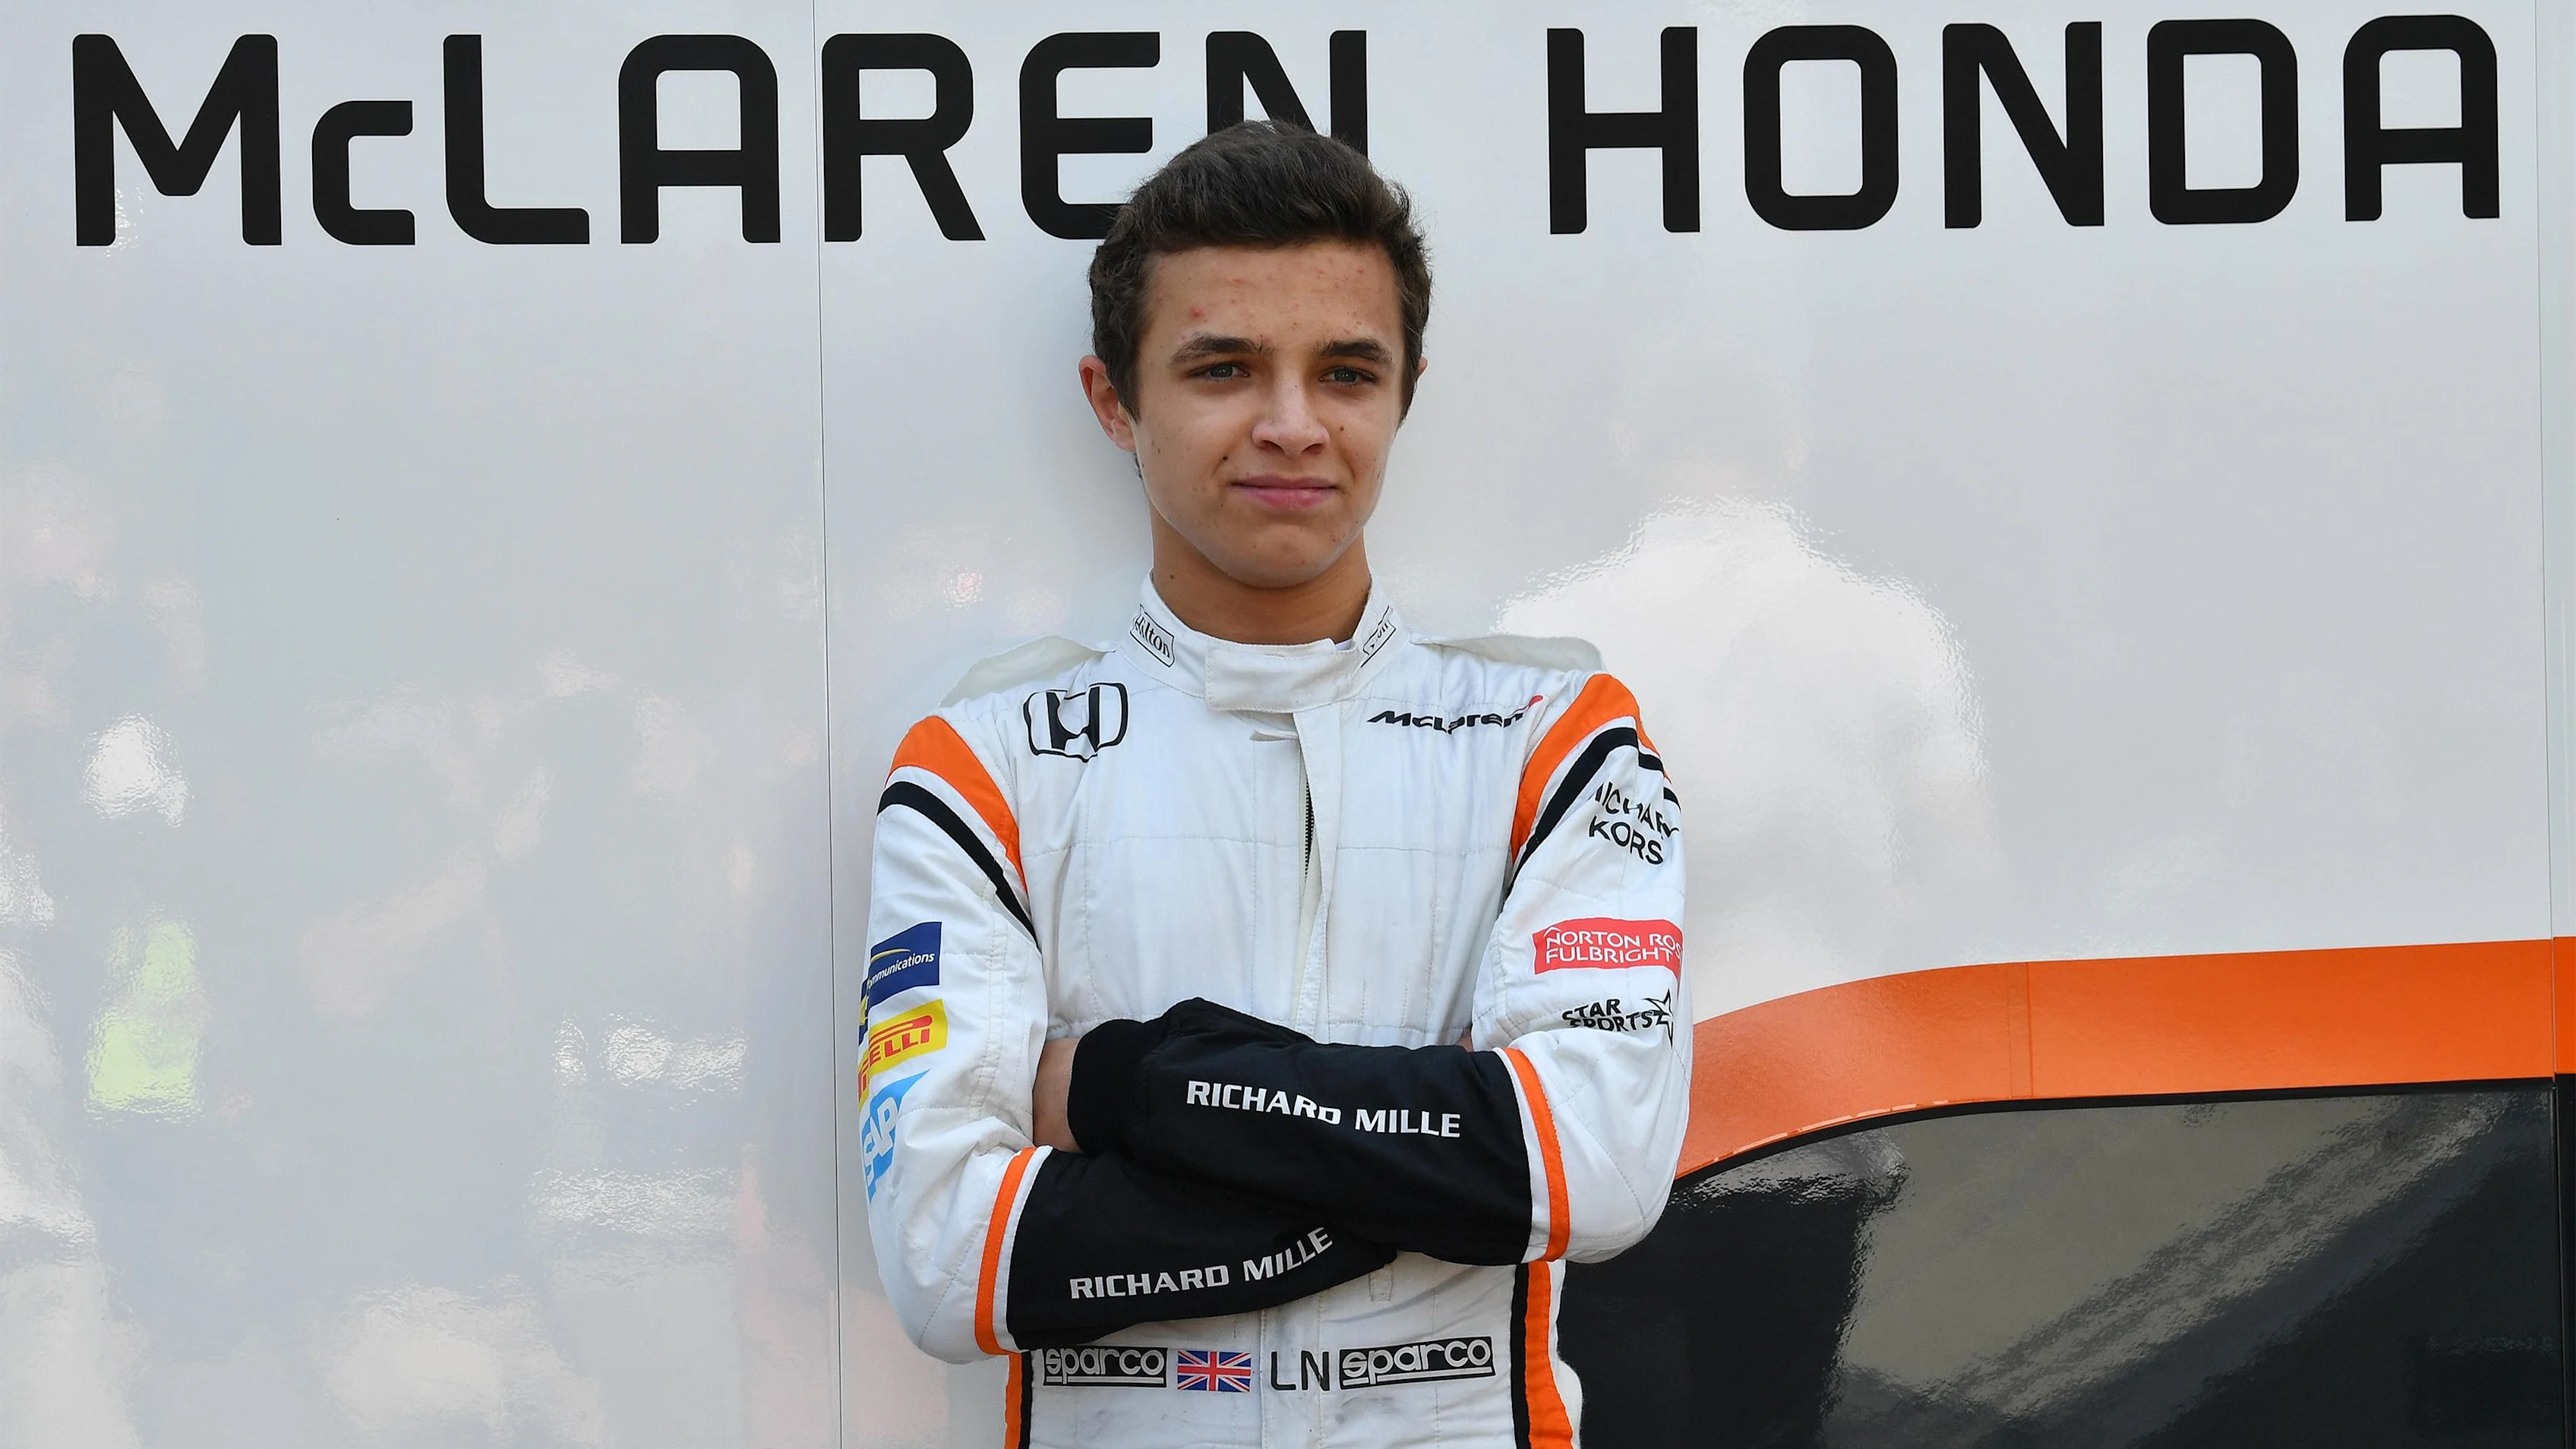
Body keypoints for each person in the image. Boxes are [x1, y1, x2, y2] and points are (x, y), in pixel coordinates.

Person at [860, 121, 1689, 1448]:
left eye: (1346, 372)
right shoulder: (986, 762)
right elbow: (950, 1261)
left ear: (1405, 393)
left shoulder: (1556, 738)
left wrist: (1125, 1089)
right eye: (1224, 368)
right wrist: (1439, 1157)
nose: (1293, 426)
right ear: (1114, 401)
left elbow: (1593, 1169)